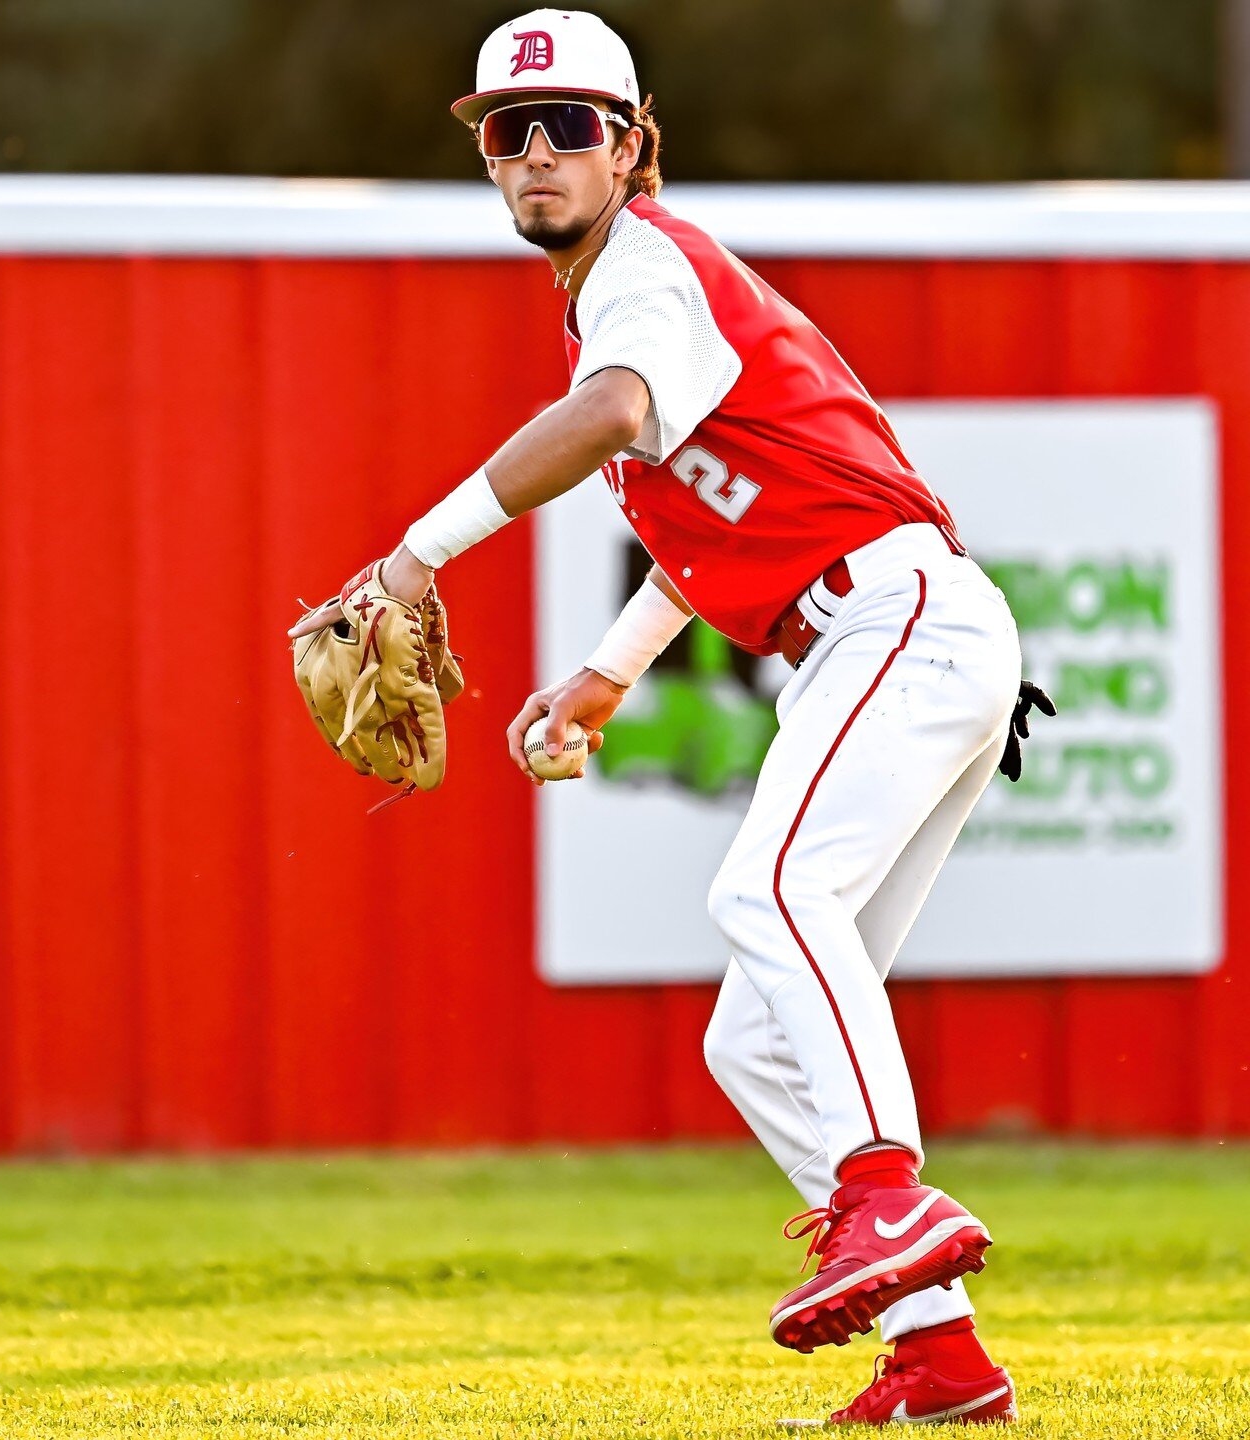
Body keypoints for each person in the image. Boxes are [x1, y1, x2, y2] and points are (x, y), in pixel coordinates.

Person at [291, 8, 1051, 1426]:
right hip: (879, 626)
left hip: (898, 619)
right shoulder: (626, 290)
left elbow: (614, 413)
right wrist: (610, 668)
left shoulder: (645, 278)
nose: (535, 157)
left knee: (770, 892)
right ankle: (942, 1354)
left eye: (570, 126)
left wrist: (414, 555)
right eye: (507, 134)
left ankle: (884, 1194)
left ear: (634, 148)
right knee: (753, 1036)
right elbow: (725, 508)